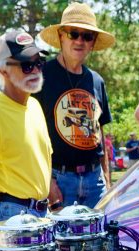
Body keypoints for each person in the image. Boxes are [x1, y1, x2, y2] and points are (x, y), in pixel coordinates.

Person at [0, 30, 53, 251]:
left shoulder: (34, 106)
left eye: (39, 63)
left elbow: (40, 161)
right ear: (3, 70)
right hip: (11, 214)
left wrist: (54, 202)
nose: (35, 70)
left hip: (42, 214)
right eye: (26, 65)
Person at [36, 3, 115, 208]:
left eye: (87, 36)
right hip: (59, 179)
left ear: (92, 43)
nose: (80, 40)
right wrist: (47, 180)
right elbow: (32, 133)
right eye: (74, 33)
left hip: (94, 180)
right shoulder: (42, 76)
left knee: (100, 238)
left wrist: (106, 178)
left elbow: (100, 133)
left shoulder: (97, 81)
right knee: (63, 240)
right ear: (62, 36)